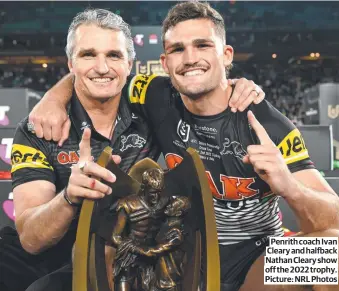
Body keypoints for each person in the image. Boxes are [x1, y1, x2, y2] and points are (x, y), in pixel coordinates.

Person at [29, 2, 339, 291]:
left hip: (259, 260)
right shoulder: (154, 94)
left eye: (203, 45)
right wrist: (52, 99)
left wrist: (288, 185)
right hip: (185, 258)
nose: (190, 58)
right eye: (178, 49)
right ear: (165, 62)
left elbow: (332, 220)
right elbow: (97, 75)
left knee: (337, 251)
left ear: (226, 55)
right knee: (110, 252)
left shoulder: (269, 127)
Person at [0, 7, 263, 291]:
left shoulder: (154, 103)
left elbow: (319, 215)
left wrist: (236, 86)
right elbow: (31, 239)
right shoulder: (40, 129)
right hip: (56, 252)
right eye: (88, 55)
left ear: (129, 64)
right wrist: (70, 196)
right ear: (70, 64)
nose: (102, 67)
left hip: (229, 252)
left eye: (114, 55)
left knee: (317, 254)